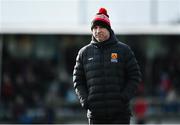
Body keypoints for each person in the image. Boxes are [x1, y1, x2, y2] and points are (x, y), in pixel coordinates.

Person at [73, 7, 142, 124]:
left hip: (120, 114)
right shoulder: (84, 53)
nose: (97, 30)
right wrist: (85, 101)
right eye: (94, 28)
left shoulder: (124, 50)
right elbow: (78, 80)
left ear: (108, 29)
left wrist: (123, 98)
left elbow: (135, 77)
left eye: (101, 27)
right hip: (95, 115)